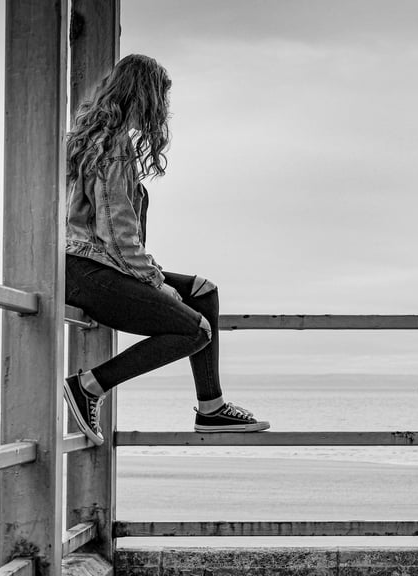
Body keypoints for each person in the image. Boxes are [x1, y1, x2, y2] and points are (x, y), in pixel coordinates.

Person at [63, 54, 269, 446]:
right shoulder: (113, 145)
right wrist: (158, 284)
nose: (164, 109)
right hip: (89, 273)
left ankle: (211, 408)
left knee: (203, 290)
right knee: (195, 330)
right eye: (161, 98)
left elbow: (116, 239)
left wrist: (157, 278)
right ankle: (89, 386)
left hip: (93, 267)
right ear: (145, 97)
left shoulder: (96, 137)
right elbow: (118, 235)